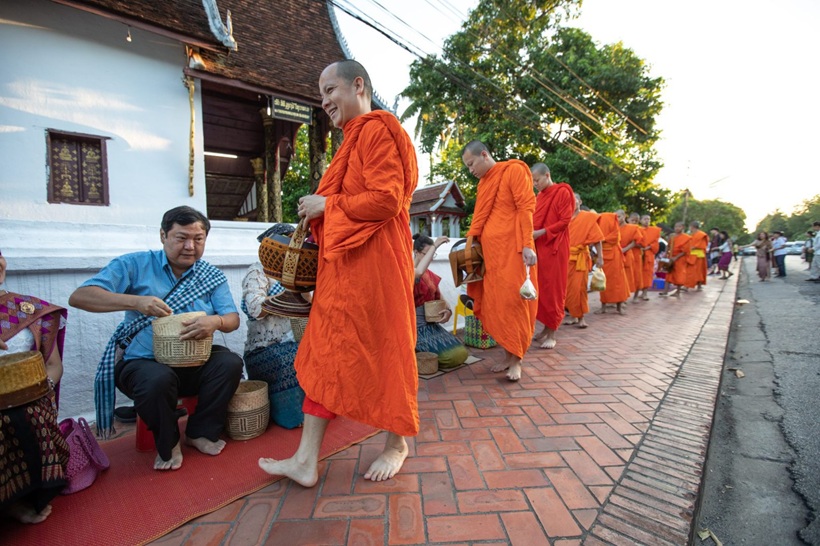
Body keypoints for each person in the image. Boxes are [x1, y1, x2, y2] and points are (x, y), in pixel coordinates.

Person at [258, 60, 419, 485]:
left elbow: (386, 199)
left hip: (378, 267)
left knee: (387, 351)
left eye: (330, 89)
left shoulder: (377, 129)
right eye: (322, 92)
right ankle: (306, 460)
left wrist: (328, 206)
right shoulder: (352, 140)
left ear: (358, 85)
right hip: (343, 269)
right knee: (325, 354)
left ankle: (396, 444)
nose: (324, 100)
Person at [69, 206, 243, 471]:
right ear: (163, 235)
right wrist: (137, 302)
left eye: (198, 239)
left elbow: (232, 319)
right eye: (181, 237)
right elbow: (80, 296)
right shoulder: (134, 265)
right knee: (158, 379)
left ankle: (200, 432)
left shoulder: (211, 276)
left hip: (193, 363)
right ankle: (168, 442)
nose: (189, 246)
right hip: (142, 364)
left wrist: (216, 322)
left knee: (230, 363)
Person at [0, 249, 70, 524]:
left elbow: (53, 366)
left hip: (29, 399)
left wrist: (40, 393)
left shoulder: (28, 309)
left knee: (28, 414)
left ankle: (26, 495)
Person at [460, 140, 537, 381]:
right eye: (467, 166)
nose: (470, 170)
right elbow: (481, 217)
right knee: (497, 305)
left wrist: (527, 244)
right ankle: (507, 356)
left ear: (485, 154)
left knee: (514, 304)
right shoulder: (484, 183)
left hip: (513, 253)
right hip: (490, 256)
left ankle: (517, 361)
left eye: (472, 164)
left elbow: (525, 208)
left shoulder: (513, 170)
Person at [241, 259, 305, 429]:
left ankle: (320, 410)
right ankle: (293, 415)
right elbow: (255, 309)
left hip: (295, 340)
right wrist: (288, 293)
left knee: (325, 350)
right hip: (264, 348)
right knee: (291, 356)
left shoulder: (301, 269)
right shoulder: (258, 271)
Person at [530, 162, 574, 349]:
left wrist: (541, 233)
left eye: (537, 180)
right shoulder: (539, 196)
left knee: (555, 289)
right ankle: (546, 329)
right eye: (533, 182)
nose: (535, 184)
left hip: (555, 246)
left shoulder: (562, 192)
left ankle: (553, 333)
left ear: (547, 175)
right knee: (543, 289)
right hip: (540, 248)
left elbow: (565, 221)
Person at [412, 234, 469, 367]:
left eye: (433, 254)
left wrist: (448, 311)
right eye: (428, 254)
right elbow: (417, 273)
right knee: (449, 358)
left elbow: (443, 301)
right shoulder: (407, 272)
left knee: (460, 354)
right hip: (414, 327)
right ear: (416, 252)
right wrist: (435, 245)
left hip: (431, 325)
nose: (431, 258)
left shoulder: (429, 275)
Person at [565, 194, 603, 328]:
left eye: (574, 200)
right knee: (567, 290)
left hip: (580, 258)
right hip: (564, 259)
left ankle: (581, 318)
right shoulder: (563, 218)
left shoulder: (588, 218)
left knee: (579, 289)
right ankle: (572, 316)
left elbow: (597, 239)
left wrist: (600, 257)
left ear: (580, 201)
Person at [595, 212, 631, 314]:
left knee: (618, 282)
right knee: (602, 281)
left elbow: (615, 238)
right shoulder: (598, 225)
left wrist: (601, 239)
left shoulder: (615, 228)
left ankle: (619, 307)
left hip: (615, 257)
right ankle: (603, 307)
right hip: (603, 255)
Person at [660, 222, 691, 297]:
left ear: (683, 227)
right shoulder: (672, 236)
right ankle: (665, 291)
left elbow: (685, 251)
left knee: (679, 274)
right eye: (676, 226)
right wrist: (666, 254)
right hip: (671, 257)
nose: (677, 228)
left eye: (679, 227)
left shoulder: (686, 238)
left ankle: (678, 292)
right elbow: (668, 245)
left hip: (680, 258)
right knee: (668, 274)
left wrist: (676, 258)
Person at [617, 210, 642, 302]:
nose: (617, 219)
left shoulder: (632, 228)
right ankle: (616, 299)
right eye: (616, 217)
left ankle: (624, 299)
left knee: (628, 277)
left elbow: (636, 242)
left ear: (624, 216)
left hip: (627, 254)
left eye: (619, 216)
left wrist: (624, 249)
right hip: (615, 255)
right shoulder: (614, 227)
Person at [637, 214, 662, 300]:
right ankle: (636, 294)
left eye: (648, 219)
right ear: (640, 220)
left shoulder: (654, 231)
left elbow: (656, 243)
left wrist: (649, 247)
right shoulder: (637, 229)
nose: (647, 221)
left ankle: (645, 293)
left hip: (649, 255)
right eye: (645, 219)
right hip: (639, 254)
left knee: (647, 275)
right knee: (638, 274)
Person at [687, 221, 709, 291]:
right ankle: (687, 285)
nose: (689, 228)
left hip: (699, 256)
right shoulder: (691, 235)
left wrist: (693, 247)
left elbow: (703, 245)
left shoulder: (702, 235)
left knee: (699, 271)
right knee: (689, 271)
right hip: (691, 255)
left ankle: (699, 286)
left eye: (690, 227)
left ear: (692, 227)